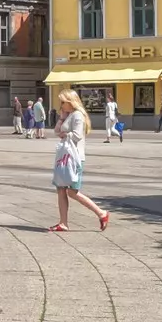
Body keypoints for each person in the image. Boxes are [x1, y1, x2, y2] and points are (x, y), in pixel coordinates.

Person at [49, 89, 110, 233]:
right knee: (61, 189)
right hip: (65, 157)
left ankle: (101, 213)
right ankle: (63, 223)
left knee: (72, 192)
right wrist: (61, 118)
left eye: (63, 102)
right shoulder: (69, 115)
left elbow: (76, 136)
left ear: (71, 102)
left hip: (75, 158)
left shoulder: (78, 115)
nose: (61, 105)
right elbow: (56, 132)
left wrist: (65, 134)